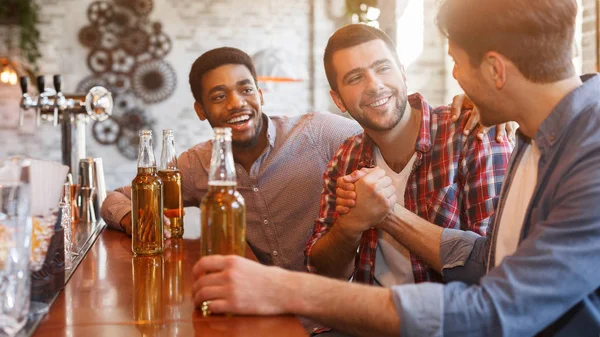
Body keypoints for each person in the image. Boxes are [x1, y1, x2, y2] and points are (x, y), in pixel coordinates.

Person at [190, 0, 600, 336]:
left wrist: (284, 288)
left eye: (455, 63)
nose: (455, 81)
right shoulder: (534, 137)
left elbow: (494, 309)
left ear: (495, 70)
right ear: (338, 97)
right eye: (355, 77)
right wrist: (368, 219)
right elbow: (489, 262)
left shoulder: (572, 148)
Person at [101, 47, 500, 272]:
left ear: (261, 94)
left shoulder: (321, 133)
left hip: (330, 309)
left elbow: (384, 124)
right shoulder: (197, 165)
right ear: (201, 110)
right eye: (219, 96)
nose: (237, 103)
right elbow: (114, 198)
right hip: (259, 307)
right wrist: (146, 225)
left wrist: (478, 107)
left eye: (246, 89)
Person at [304, 24, 512, 294]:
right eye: (355, 78)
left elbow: (497, 270)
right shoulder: (345, 158)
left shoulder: (473, 133)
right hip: (368, 319)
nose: (374, 85)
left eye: (382, 68)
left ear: (402, 73)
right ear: (338, 100)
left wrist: (384, 212)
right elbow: (323, 273)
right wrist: (350, 224)